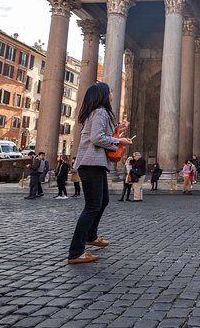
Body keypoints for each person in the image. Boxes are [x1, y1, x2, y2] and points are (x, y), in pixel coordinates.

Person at [68, 82, 131, 264]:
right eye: (110, 91)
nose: (112, 93)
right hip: (91, 163)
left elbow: (99, 134)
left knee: (103, 201)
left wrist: (118, 130)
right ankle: (75, 252)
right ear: (103, 94)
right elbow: (97, 138)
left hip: (95, 163)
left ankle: (91, 236)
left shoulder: (97, 112)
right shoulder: (101, 112)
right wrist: (119, 141)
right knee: (92, 206)